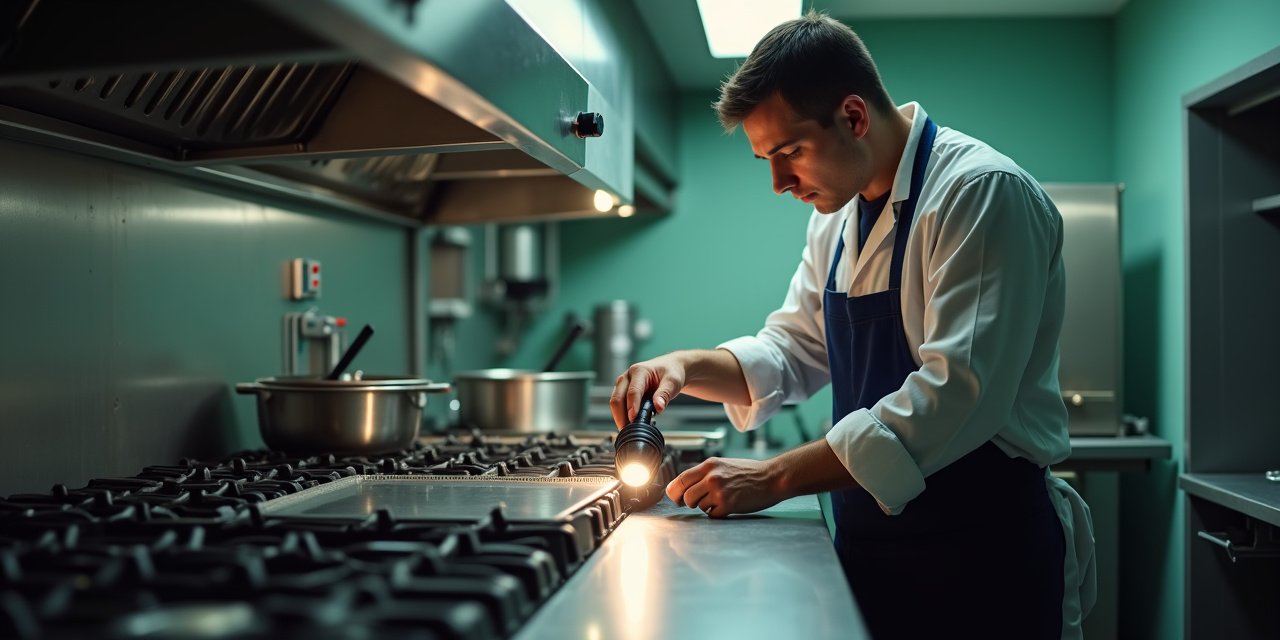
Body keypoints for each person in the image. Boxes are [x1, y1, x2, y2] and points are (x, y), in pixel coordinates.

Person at [609, 11, 1096, 640]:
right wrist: (683, 366)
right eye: (766, 160)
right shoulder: (836, 217)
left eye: (789, 154)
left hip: (981, 557)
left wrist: (774, 477)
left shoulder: (979, 193)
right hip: (871, 549)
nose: (779, 183)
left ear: (854, 117)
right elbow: (793, 349)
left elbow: (954, 396)